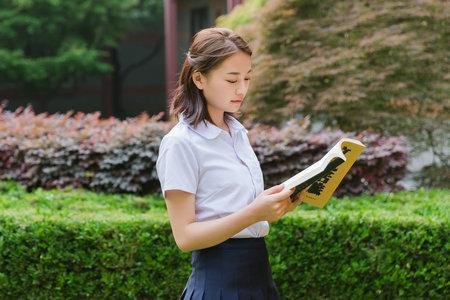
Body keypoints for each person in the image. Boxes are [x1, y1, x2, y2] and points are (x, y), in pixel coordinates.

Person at [156, 27, 305, 300]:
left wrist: (276, 202)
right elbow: (185, 238)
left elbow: (235, 207)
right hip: (218, 283)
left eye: (247, 78)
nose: (242, 89)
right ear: (199, 79)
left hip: (259, 276)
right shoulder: (180, 143)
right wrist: (254, 213)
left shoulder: (236, 133)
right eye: (232, 79)